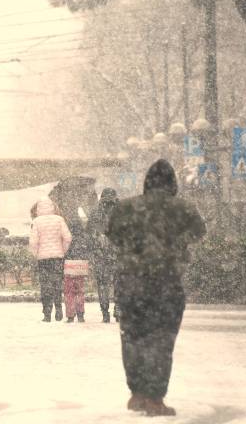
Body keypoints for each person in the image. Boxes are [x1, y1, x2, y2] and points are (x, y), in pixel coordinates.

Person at [106, 159, 206, 416]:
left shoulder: (125, 208)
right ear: (172, 183)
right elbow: (199, 232)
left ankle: (137, 393)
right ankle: (155, 398)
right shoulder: (183, 209)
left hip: (131, 283)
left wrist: (134, 249)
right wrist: (174, 243)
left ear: (146, 182)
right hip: (166, 284)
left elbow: (112, 234)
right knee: (161, 340)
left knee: (133, 337)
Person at [29, 197, 72, 322]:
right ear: (53, 207)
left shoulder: (36, 221)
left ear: (38, 209)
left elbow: (33, 242)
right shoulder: (59, 220)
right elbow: (68, 238)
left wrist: (36, 253)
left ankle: (47, 314)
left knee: (45, 285)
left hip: (43, 258)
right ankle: (58, 310)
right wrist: (62, 250)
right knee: (57, 283)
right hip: (57, 257)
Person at [87, 188, 120, 323]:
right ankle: (118, 309)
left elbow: (89, 233)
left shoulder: (95, 212)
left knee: (102, 283)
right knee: (119, 282)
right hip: (118, 253)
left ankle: (105, 313)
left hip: (100, 254)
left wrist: (93, 249)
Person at [63, 222, 91, 323]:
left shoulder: (67, 239)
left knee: (69, 292)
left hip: (69, 265)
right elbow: (88, 251)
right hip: (81, 266)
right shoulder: (84, 238)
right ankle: (80, 314)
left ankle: (70, 315)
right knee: (80, 291)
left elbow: (64, 251)